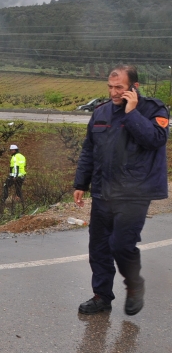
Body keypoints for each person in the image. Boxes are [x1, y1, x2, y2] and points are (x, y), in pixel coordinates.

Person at [74, 64, 168, 316]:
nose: (114, 92)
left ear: (134, 87)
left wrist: (132, 113)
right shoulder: (101, 112)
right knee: (99, 248)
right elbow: (89, 149)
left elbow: (155, 140)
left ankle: (134, 285)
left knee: (122, 245)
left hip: (134, 193)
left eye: (120, 88)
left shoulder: (153, 109)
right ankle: (101, 297)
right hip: (104, 191)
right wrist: (81, 183)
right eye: (110, 87)